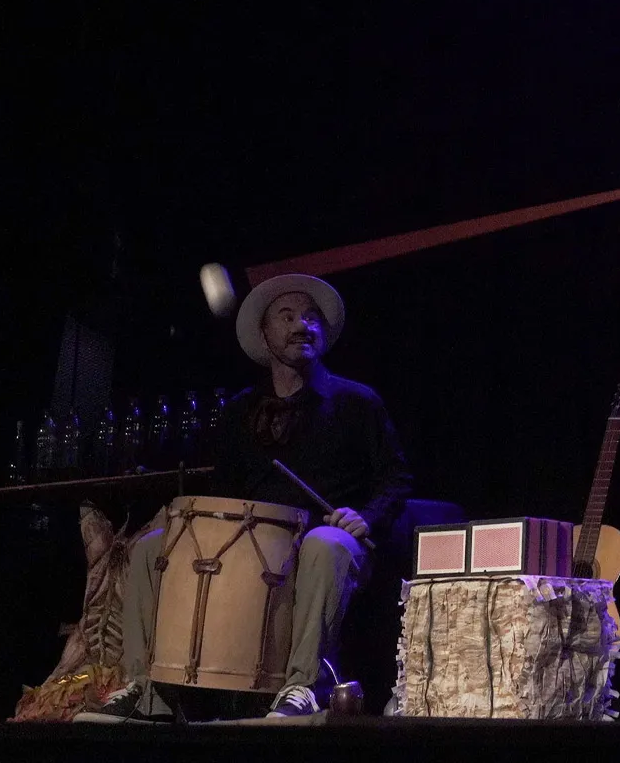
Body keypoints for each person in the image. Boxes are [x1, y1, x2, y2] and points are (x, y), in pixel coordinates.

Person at [78, 273, 412, 721]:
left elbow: (396, 479)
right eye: (287, 317)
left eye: (311, 317)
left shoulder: (358, 402)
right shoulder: (240, 411)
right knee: (148, 550)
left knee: (323, 545)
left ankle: (303, 685)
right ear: (265, 334)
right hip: (252, 541)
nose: (302, 326)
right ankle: (146, 689)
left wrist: (366, 517)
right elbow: (222, 493)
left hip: (326, 536)